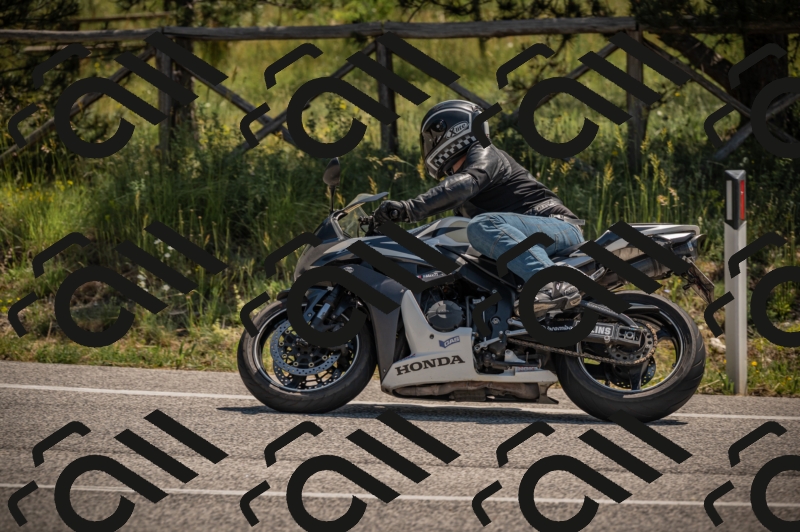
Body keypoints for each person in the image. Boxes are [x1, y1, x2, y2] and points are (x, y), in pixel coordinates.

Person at [373, 100, 585, 316]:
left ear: (450, 131)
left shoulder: (484, 153)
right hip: (526, 235)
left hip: (558, 225)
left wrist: (409, 208)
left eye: (429, 139)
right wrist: (387, 240)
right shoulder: (464, 192)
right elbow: (439, 232)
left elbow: (464, 184)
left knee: (482, 225)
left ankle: (552, 282)